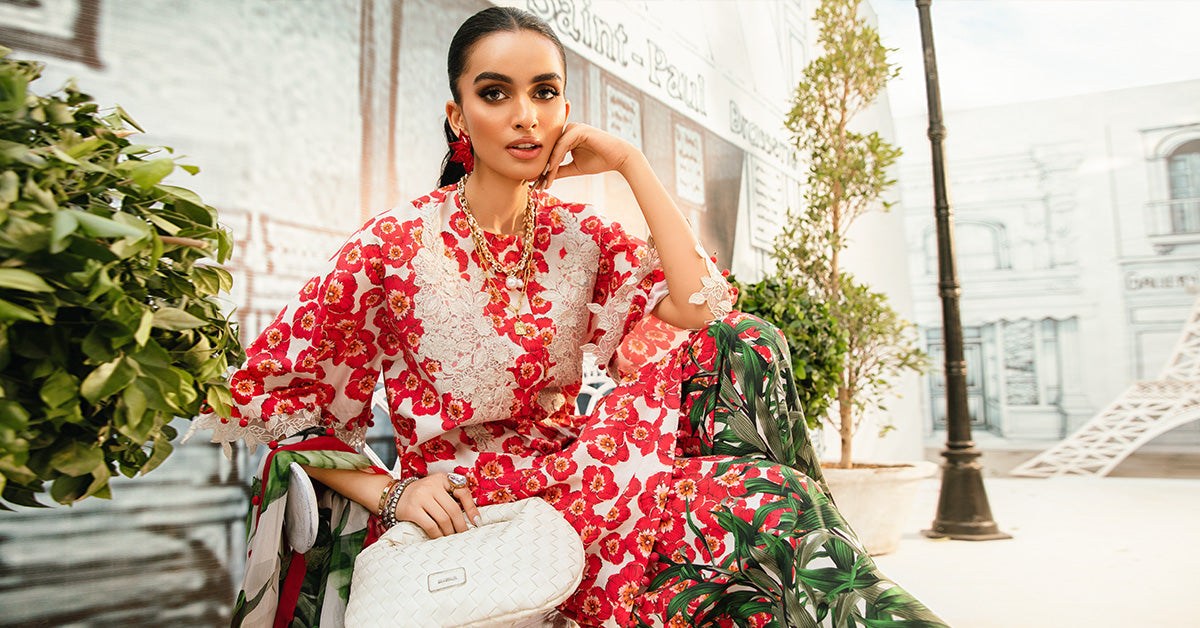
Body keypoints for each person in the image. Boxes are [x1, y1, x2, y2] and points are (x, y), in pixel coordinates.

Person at [190, 6, 947, 627]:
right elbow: (271, 398)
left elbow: (698, 306)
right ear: (458, 115)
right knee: (770, 514)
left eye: (544, 93)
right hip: (473, 507)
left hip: (579, 474)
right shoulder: (395, 245)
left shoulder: (576, 236)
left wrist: (629, 164)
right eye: (495, 94)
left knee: (750, 364)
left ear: (566, 110)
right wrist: (392, 493)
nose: (525, 117)